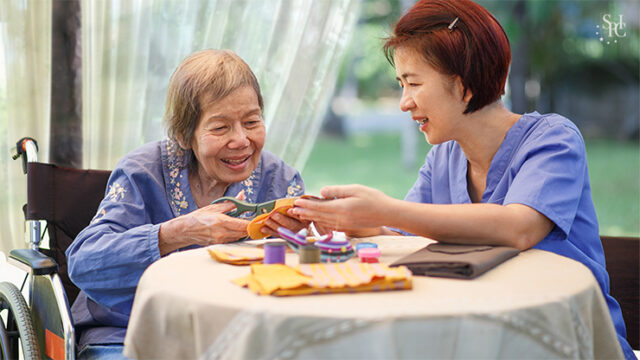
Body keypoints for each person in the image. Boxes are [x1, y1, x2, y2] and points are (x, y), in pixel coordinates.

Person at [292, 1, 634, 358]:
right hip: (485, 341)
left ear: (464, 85)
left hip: (564, 341)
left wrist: (384, 211)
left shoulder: (553, 140)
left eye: (413, 83)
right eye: (400, 85)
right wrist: (358, 222)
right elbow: (408, 235)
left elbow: (519, 227)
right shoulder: (442, 159)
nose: (403, 103)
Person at [66, 49, 307, 359]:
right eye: (220, 127)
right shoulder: (142, 173)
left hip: (234, 339)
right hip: (129, 334)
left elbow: (303, 270)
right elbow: (84, 262)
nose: (241, 140)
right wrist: (177, 232)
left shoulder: (280, 180)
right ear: (183, 133)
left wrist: (306, 238)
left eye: (251, 121)